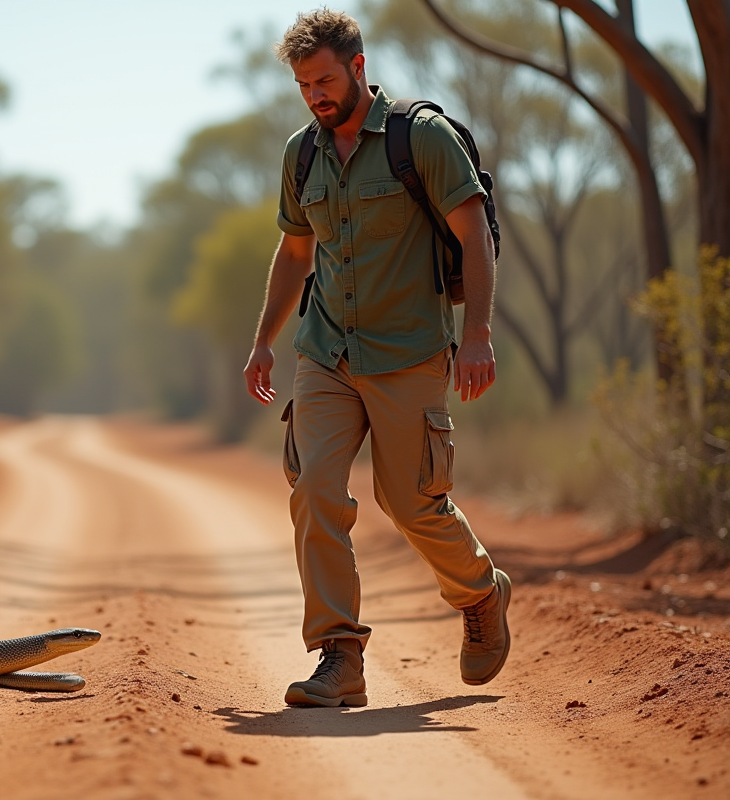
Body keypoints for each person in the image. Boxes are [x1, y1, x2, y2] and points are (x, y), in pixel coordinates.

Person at [243, 8, 511, 708]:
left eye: (325, 81)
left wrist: (477, 333)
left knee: (411, 503)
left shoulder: (420, 138)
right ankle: (339, 655)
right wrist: (263, 340)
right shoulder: (302, 154)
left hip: (409, 352)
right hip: (325, 351)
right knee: (315, 490)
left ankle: (480, 592)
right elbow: (295, 252)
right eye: (303, 85)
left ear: (358, 67)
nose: (314, 96)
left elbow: (475, 236)